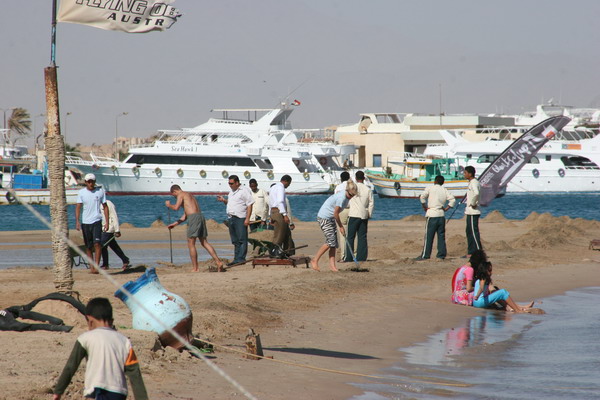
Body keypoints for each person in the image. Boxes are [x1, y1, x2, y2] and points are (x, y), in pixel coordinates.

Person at [53, 297, 148, 400]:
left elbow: (70, 367)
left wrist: (58, 391)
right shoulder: (124, 341)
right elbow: (135, 374)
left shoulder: (85, 338)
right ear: (112, 321)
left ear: (90, 321)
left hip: (96, 389)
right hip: (118, 392)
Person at [166, 185, 223, 272]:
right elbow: (185, 215)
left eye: (174, 195)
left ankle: (195, 268)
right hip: (200, 216)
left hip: (194, 218)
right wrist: (175, 224)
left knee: (191, 243)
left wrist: (169, 205)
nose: (175, 197)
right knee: (204, 242)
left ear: (175, 191)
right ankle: (218, 262)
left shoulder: (181, 194)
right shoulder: (189, 195)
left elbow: (176, 208)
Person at [311, 180, 358, 272]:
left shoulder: (346, 196)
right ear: (347, 191)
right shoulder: (342, 198)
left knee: (334, 244)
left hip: (330, 218)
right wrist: (341, 226)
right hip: (324, 218)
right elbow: (336, 213)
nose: (351, 197)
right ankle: (315, 260)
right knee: (330, 241)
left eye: (353, 195)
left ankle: (332, 266)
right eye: (350, 195)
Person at [75, 173, 109, 274]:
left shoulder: (100, 192)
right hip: (85, 222)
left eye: (92, 181)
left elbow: (105, 206)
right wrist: (77, 221)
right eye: (88, 181)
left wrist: (107, 222)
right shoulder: (81, 193)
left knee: (97, 244)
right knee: (89, 246)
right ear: (85, 182)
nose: (90, 183)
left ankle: (96, 266)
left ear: (94, 182)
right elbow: (78, 207)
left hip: (97, 220)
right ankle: (91, 267)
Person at [416, 175, 456, 261]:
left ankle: (425, 255)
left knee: (429, 236)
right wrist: (446, 208)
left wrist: (424, 206)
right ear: (442, 182)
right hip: (441, 215)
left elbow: (422, 197)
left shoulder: (430, 188)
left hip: (432, 214)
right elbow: (452, 200)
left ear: (435, 181)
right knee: (441, 236)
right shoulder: (444, 190)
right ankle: (441, 255)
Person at [217, 175, 254, 265]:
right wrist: (224, 201)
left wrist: (247, 218)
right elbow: (231, 204)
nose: (230, 185)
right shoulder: (231, 192)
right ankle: (236, 259)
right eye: (229, 183)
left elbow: (250, 204)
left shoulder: (244, 191)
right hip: (231, 217)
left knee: (242, 239)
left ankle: (241, 259)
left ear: (237, 182)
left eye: (232, 183)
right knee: (235, 240)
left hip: (240, 217)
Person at [344, 171, 374, 262]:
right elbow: (371, 203)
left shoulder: (353, 187)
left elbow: (347, 200)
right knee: (362, 237)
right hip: (363, 214)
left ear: (356, 178)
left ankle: (349, 257)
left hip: (353, 214)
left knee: (350, 237)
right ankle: (361, 257)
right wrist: (369, 214)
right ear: (364, 179)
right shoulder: (368, 189)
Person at [100, 200, 130, 270]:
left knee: (102, 245)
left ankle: (105, 264)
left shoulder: (108, 203)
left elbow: (114, 216)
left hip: (109, 228)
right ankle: (125, 259)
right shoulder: (96, 204)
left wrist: (117, 230)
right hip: (102, 228)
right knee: (113, 245)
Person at [268, 175, 293, 253]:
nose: (289, 185)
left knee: (286, 232)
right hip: (279, 212)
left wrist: (270, 215)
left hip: (273, 211)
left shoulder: (273, 187)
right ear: (286, 181)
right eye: (289, 183)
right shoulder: (280, 188)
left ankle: (287, 251)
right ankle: (274, 251)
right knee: (280, 233)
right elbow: (280, 202)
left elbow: (270, 202)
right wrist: (285, 215)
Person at [464, 166, 482, 256]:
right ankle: (471, 252)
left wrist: (473, 203)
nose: (464, 174)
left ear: (470, 174)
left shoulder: (474, 182)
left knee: (473, 232)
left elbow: (477, 193)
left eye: (465, 173)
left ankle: (479, 251)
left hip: (473, 211)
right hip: (469, 211)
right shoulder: (472, 182)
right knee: (469, 231)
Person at [335, 171, 351, 262]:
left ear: (341, 178)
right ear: (349, 178)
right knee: (352, 234)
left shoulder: (338, 187)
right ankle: (353, 254)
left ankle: (343, 256)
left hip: (342, 210)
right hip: (352, 210)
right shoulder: (351, 186)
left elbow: (336, 199)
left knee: (342, 234)